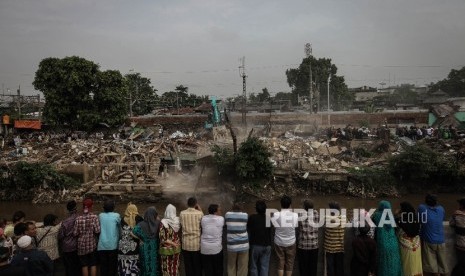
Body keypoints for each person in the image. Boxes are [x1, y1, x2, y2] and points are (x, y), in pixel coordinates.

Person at [418, 194, 448, 276]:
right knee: (444, 267)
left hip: (429, 241)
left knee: (433, 268)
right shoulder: (441, 209)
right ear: (436, 202)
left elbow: (420, 220)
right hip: (441, 241)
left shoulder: (422, 208)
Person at [372, 200, 402, 276]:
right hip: (393, 243)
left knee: (384, 264)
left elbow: (372, 218)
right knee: (393, 262)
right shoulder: (391, 216)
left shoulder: (377, 216)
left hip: (383, 243)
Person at [74, 198, 101, 276]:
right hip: (91, 245)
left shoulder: (78, 218)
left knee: (84, 265)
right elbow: (97, 231)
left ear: (83, 207)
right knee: (93, 264)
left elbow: (75, 233)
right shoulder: (94, 217)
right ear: (92, 206)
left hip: (81, 246)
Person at [273, 195, 298, 276]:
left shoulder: (276, 214)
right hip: (291, 242)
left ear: (281, 204)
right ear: (290, 205)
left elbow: (274, 226)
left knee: (280, 261)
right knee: (290, 262)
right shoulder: (295, 215)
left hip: (279, 242)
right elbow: (295, 226)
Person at [396, 202, 422, 276]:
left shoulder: (402, 220)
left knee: (407, 264)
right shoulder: (415, 217)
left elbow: (398, 222)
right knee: (416, 264)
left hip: (406, 247)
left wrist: (397, 215)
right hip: (416, 245)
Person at [179, 197, 203, 276]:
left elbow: (180, 225)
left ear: (187, 204)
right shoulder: (200, 214)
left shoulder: (182, 213)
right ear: (196, 204)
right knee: (197, 267)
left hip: (186, 245)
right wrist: (200, 209)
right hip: (196, 245)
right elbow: (204, 222)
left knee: (188, 267)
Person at [133, 206, 160, 276]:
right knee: (154, 264)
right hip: (154, 246)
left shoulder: (141, 224)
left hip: (144, 246)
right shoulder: (158, 223)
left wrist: (140, 238)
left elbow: (133, 232)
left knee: (145, 264)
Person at [247, 200, 271, 276]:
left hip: (255, 245)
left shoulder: (252, 217)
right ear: (265, 209)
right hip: (267, 245)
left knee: (253, 266)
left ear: (256, 209)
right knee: (264, 266)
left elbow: (249, 228)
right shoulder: (268, 218)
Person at [98, 199, 121, 276]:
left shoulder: (100, 216)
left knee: (103, 267)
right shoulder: (116, 216)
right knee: (112, 267)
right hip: (113, 245)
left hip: (102, 245)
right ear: (113, 207)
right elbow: (120, 226)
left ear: (104, 208)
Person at [225, 203, 249, 276]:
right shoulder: (245, 215)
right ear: (241, 208)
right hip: (243, 245)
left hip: (232, 246)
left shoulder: (227, 214)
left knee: (231, 266)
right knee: (242, 267)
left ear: (232, 207)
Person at [200, 204, 224, 276]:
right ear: (215, 212)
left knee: (208, 271)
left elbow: (205, 218)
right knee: (218, 270)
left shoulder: (203, 218)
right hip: (216, 249)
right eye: (219, 210)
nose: (220, 211)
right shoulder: (221, 219)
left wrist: (200, 209)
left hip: (205, 249)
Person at [297, 199, 319, 276]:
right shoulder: (316, 213)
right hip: (314, 245)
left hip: (303, 245)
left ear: (304, 207)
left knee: (303, 267)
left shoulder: (300, 214)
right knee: (313, 267)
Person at [58, 200, 81, 276]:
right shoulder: (80, 218)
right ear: (76, 208)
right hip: (78, 245)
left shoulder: (65, 222)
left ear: (68, 209)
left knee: (69, 267)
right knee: (77, 265)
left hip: (67, 247)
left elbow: (61, 235)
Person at [118, 203, 141, 276]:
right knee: (133, 267)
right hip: (133, 248)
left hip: (123, 249)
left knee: (124, 267)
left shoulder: (122, 219)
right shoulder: (138, 218)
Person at [159, 204, 182, 276]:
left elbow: (162, 238)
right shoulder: (178, 221)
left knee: (166, 268)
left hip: (166, 249)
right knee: (175, 267)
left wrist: (171, 244)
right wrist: (175, 243)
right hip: (176, 248)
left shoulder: (163, 222)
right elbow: (180, 234)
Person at [324, 202, 345, 276]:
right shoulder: (343, 218)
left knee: (330, 267)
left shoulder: (327, 218)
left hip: (329, 247)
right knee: (339, 267)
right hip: (340, 246)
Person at [450, 197, 465, 276]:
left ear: (461, 206)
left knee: (461, 264)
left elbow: (451, 224)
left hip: (461, 246)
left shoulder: (457, 214)